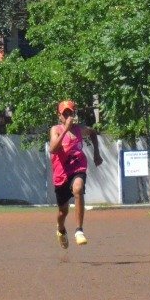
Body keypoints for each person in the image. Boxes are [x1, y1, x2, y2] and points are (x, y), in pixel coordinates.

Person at [49, 99, 102, 248]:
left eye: (70, 113)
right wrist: (65, 129)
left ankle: (79, 230)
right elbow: (53, 149)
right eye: (64, 114)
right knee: (62, 212)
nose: (67, 116)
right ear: (59, 116)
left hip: (77, 168)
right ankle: (60, 229)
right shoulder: (56, 129)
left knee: (78, 188)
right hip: (61, 174)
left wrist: (96, 153)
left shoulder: (80, 130)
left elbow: (92, 133)